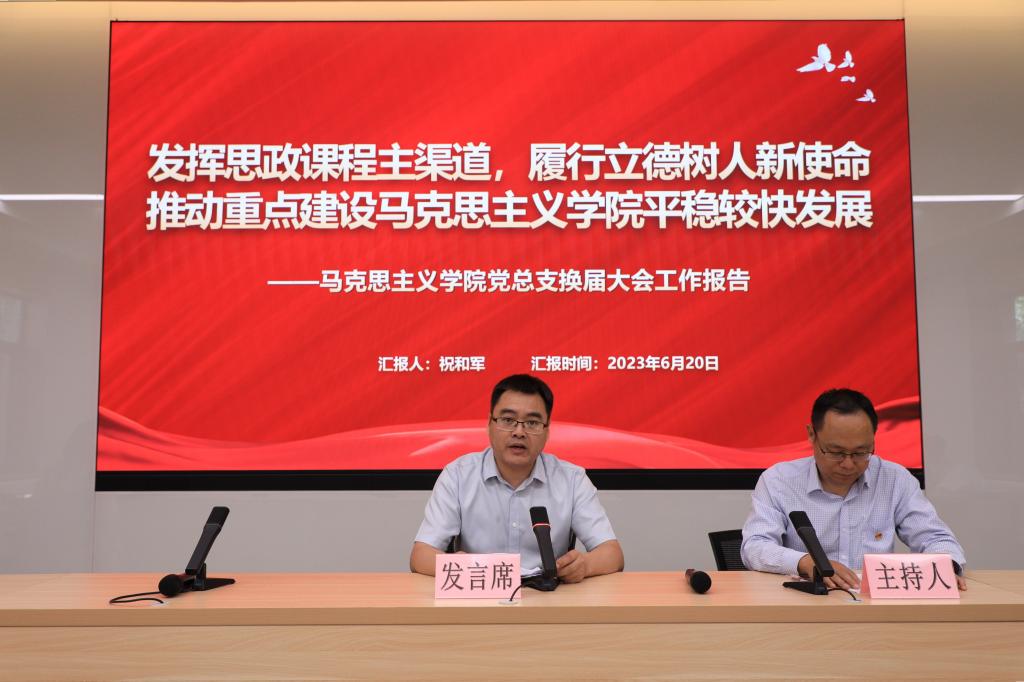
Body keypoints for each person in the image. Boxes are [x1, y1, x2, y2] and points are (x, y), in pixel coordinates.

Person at [741, 388, 967, 590]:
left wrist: (945, 566)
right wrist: (806, 562)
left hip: (874, 607)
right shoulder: (779, 481)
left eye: (861, 452)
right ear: (811, 434)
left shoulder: (895, 479)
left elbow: (935, 537)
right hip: (805, 603)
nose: (848, 464)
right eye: (836, 452)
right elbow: (755, 546)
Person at [410, 374, 624, 582]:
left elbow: (612, 553)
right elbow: (421, 555)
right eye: (508, 420)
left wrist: (584, 565)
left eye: (532, 423)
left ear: (547, 430)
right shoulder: (458, 476)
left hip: (548, 597)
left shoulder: (572, 480)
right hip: (479, 594)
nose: (519, 432)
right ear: (490, 424)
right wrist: (461, 566)